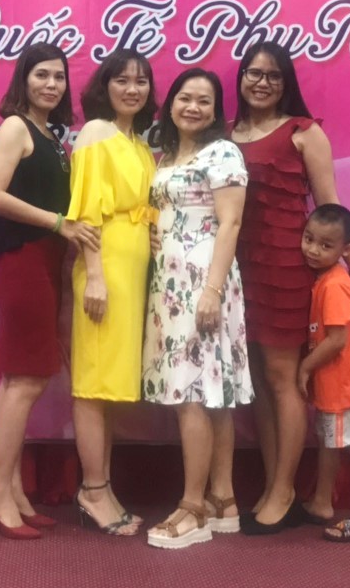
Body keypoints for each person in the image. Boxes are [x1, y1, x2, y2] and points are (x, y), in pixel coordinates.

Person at [228, 42, 350, 535]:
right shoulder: (226, 136)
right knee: (260, 384)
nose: (262, 82)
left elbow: (332, 211)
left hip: (286, 269)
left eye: (273, 75)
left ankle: (285, 491)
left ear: (286, 83)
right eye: (254, 73)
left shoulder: (305, 133)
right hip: (238, 271)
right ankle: (274, 485)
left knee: (283, 380)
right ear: (241, 78)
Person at [0, 43, 101, 540]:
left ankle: (13, 490)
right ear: (23, 79)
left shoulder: (52, 135)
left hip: (46, 264)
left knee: (21, 379)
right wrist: (57, 223)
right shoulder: (15, 127)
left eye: (58, 77)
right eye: (41, 75)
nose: (51, 84)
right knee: (25, 380)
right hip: (22, 262)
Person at [142, 68, 254, 550]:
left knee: (192, 391)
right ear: (170, 104)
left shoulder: (223, 152)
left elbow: (230, 224)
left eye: (204, 101)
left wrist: (211, 290)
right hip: (169, 282)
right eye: (185, 98)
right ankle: (222, 499)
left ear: (215, 111)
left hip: (202, 281)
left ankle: (192, 509)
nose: (193, 107)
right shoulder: (167, 156)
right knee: (212, 394)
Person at [67, 48, 157, 536]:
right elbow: (86, 212)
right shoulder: (96, 133)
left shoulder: (138, 142)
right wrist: (95, 275)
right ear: (105, 87)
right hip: (105, 268)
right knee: (93, 382)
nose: (132, 89)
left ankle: (103, 486)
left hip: (132, 269)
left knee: (111, 384)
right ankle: (93, 490)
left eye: (141, 81)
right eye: (122, 80)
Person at [296, 204, 350, 543]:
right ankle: (321, 502)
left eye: (326, 245)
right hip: (334, 383)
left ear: (346, 250)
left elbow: (337, 339)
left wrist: (305, 367)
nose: (313, 250)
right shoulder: (324, 279)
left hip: (346, 384)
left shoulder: (334, 284)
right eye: (308, 239)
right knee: (329, 444)